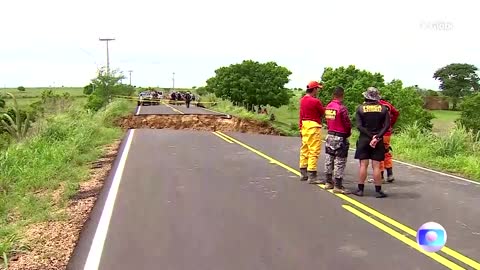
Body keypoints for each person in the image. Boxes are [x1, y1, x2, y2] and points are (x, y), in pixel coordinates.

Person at [353, 87, 390, 198]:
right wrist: (377, 137)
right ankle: (378, 191)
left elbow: (359, 126)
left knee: (363, 165)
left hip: (364, 139)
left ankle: (360, 190)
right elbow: (387, 125)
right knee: (377, 166)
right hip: (378, 141)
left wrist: (370, 136)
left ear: (366, 96)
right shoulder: (383, 109)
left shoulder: (360, 109)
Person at [323, 87, 352, 193]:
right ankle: (338, 186)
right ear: (342, 95)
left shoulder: (328, 107)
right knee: (340, 161)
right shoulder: (342, 108)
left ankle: (328, 182)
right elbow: (347, 123)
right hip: (340, 136)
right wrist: (348, 133)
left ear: (333, 95)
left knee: (329, 160)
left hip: (329, 135)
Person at [299, 81, 325, 184]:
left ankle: (303, 172)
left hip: (305, 126)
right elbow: (322, 113)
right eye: (317, 89)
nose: (318, 91)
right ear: (314, 89)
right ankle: (312, 175)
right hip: (314, 126)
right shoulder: (316, 101)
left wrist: (300, 127)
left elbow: (301, 114)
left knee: (305, 149)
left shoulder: (302, 100)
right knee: (314, 150)